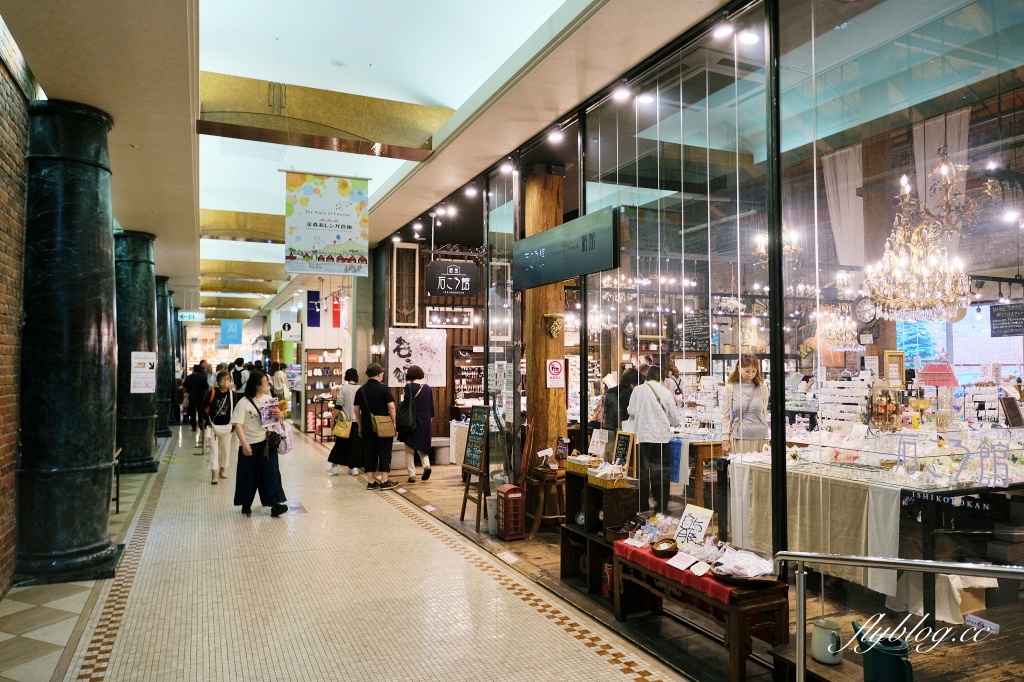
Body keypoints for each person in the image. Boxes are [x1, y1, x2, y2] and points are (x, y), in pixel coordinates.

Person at [232, 370, 288, 516]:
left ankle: (276, 504)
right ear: (257, 385)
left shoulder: (268, 399)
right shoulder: (243, 403)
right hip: (250, 444)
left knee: (271, 474)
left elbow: (276, 419)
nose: (268, 384)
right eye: (265, 382)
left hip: (267, 444)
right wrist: (244, 444)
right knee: (248, 476)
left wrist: (280, 415)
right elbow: (238, 425)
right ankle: (246, 504)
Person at [627, 366, 681, 513]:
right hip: (661, 437)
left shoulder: (638, 390)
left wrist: (643, 413)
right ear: (662, 378)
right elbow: (675, 418)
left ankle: (642, 505)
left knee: (643, 473)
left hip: (643, 436)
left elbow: (631, 411)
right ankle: (661, 506)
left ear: (647, 376)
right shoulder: (665, 392)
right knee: (661, 473)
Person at [353, 362, 397, 490]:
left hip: (367, 426)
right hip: (383, 425)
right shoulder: (384, 389)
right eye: (382, 373)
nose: (382, 374)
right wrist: (394, 422)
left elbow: (356, 411)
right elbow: (391, 407)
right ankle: (384, 481)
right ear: (378, 374)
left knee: (369, 452)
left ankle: (371, 482)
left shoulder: (361, 390)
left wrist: (360, 426)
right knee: (384, 451)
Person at [720, 355, 769, 456]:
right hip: (739, 438)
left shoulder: (762, 386)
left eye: (754, 371)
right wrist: (725, 439)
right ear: (739, 368)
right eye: (747, 371)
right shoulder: (731, 387)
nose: (751, 375)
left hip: (760, 438)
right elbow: (726, 415)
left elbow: (764, 411)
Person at [397, 365, 434, 483]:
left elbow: (406, 403)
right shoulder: (428, 388)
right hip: (425, 420)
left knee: (409, 449)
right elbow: (431, 406)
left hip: (411, 420)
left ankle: (412, 475)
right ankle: (426, 465)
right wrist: (430, 419)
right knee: (422, 446)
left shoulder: (408, 387)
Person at [327, 369, 363, 476]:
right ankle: (353, 468)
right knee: (355, 446)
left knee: (340, 445)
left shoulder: (344, 388)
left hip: (346, 423)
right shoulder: (360, 388)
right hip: (357, 422)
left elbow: (338, 406)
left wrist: (333, 419)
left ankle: (334, 467)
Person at [205, 370, 237, 484]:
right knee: (214, 450)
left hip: (227, 426)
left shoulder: (233, 394)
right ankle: (214, 474)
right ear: (218, 381)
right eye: (223, 379)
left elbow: (235, 411)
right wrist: (206, 423)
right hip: (213, 426)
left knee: (225, 449)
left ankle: (222, 470)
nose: (226, 381)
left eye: (228, 379)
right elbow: (205, 408)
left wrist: (234, 426)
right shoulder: (212, 393)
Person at [602, 368, 639, 432]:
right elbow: (619, 414)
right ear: (632, 383)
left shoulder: (612, 392)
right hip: (619, 428)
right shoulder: (627, 393)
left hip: (608, 427)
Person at [182, 364, 209, 432]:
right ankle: (200, 424)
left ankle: (193, 426)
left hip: (192, 396)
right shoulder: (203, 378)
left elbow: (184, 385)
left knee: (192, 412)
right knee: (200, 411)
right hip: (201, 397)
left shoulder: (189, 377)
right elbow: (206, 387)